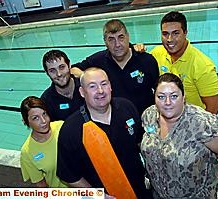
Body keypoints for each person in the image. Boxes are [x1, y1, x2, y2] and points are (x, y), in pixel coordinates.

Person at [57, 67, 152, 198]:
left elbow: (140, 143)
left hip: (141, 191)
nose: (100, 91)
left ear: (110, 86)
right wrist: (97, 195)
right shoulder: (71, 130)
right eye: (92, 86)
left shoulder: (127, 107)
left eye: (104, 84)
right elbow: (68, 175)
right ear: (82, 92)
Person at [141, 73, 218, 198]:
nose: (167, 102)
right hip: (158, 193)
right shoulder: (149, 115)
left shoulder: (202, 123)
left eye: (174, 96)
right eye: (161, 97)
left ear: (183, 97)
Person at [72, 19, 159, 115]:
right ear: (105, 42)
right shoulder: (99, 60)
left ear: (128, 37)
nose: (117, 44)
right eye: (111, 39)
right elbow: (73, 70)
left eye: (121, 37)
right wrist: (90, 78)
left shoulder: (146, 61)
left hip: (145, 121)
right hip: (115, 122)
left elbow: (158, 91)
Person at [150, 11, 218, 114]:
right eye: (165, 34)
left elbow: (213, 108)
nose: (170, 39)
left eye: (175, 33)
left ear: (185, 32)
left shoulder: (203, 66)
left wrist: (193, 127)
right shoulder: (156, 54)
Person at [19, 96, 68, 187]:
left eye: (44, 114)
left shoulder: (62, 127)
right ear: (26, 121)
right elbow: (41, 185)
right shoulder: (27, 152)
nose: (43, 121)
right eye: (35, 118)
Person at [41, 49, 84, 121]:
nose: (59, 74)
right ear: (47, 73)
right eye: (52, 71)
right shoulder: (46, 101)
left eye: (62, 67)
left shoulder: (85, 86)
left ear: (69, 65)